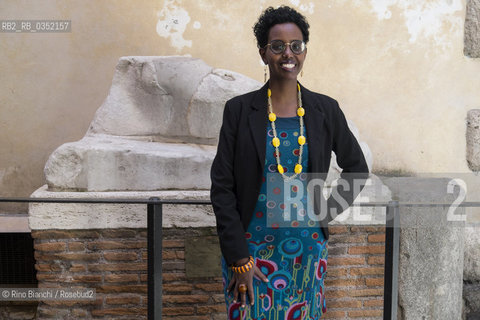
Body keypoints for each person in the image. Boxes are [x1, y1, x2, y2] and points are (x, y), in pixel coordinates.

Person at [210, 6, 369, 319]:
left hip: (307, 252)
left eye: (296, 46)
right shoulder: (240, 111)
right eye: (278, 46)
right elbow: (222, 188)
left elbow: (357, 169)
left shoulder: (325, 109)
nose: (288, 54)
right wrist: (238, 257)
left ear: (305, 51)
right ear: (263, 53)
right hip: (251, 253)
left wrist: (324, 211)